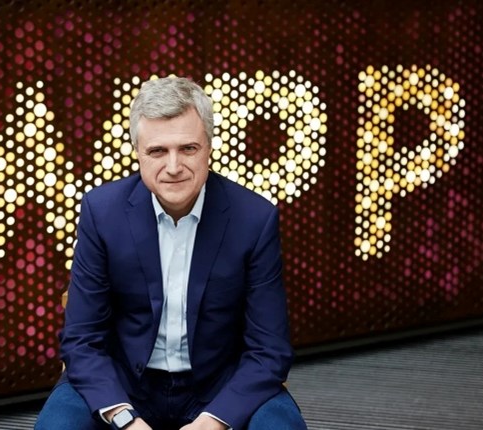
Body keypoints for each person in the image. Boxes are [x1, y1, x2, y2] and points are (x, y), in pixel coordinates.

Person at [35, 77, 307, 430]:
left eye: (188, 148)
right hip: (122, 383)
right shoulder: (102, 212)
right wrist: (125, 419)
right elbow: (81, 341)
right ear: (137, 152)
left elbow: (269, 350)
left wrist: (213, 421)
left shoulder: (254, 219)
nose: (174, 166)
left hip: (220, 385)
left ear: (209, 147)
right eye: (157, 151)